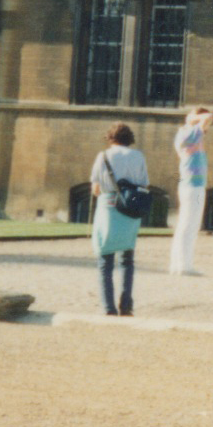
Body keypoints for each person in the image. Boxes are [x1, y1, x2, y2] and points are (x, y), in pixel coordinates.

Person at [90, 123, 147, 315]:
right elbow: (144, 184)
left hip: (108, 206)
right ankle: (126, 306)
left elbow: (95, 189)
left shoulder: (103, 156)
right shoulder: (138, 156)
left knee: (105, 260)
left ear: (110, 138)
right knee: (127, 260)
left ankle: (108, 307)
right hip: (130, 207)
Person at [169, 107, 213, 276]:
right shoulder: (192, 132)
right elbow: (209, 116)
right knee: (190, 226)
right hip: (194, 186)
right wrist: (193, 118)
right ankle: (184, 265)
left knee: (184, 225)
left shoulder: (184, 133)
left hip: (188, 184)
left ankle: (177, 264)